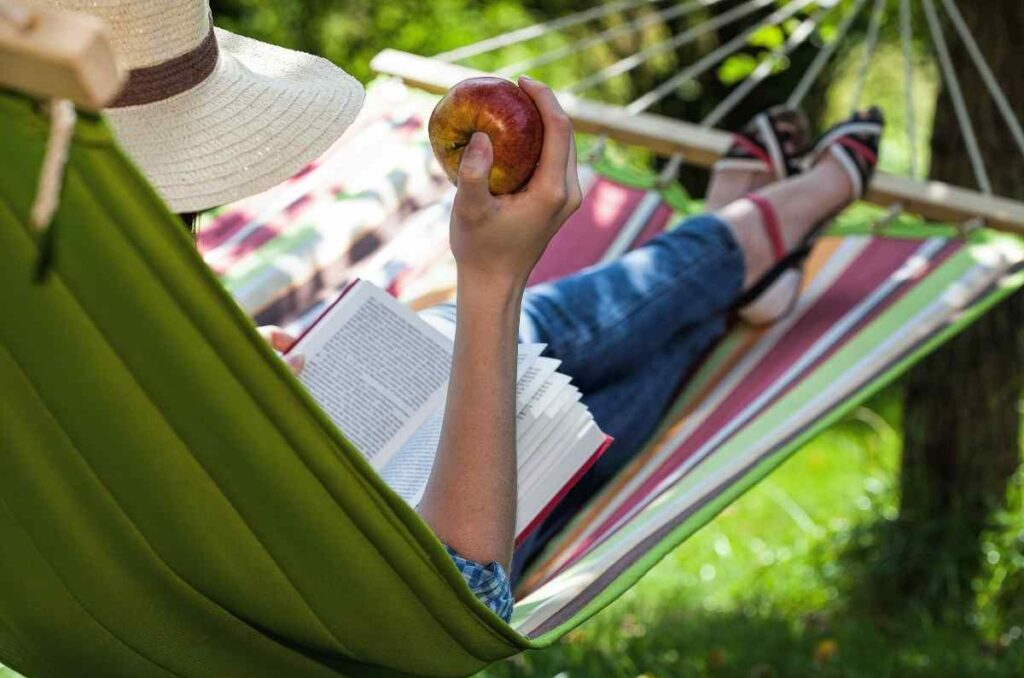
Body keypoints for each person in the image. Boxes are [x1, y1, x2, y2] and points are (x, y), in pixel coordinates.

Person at [51, 0, 884, 622]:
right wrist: (491, 279)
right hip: (401, 544)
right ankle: (775, 221)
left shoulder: (51, 364)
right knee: (529, 352)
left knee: (562, 399)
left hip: (347, 478)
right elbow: (465, 589)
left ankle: (742, 264)